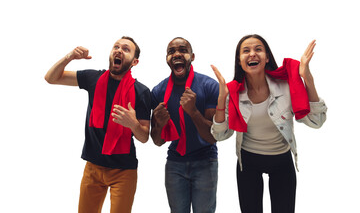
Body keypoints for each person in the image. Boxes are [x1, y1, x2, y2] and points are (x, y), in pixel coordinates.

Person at [210, 34, 327, 213]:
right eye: (246, 51)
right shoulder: (233, 92)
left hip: (281, 160)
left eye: (258, 49)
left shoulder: (286, 85)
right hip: (248, 161)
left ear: (266, 58)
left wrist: (307, 78)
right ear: (239, 61)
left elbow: (316, 121)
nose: (252, 54)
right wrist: (221, 99)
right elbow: (220, 135)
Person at [44, 36, 151, 213]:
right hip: (93, 167)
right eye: (116, 46)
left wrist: (133, 124)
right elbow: (51, 78)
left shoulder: (142, 92)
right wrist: (69, 57)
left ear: (135, 61)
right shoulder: (94, 78)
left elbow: (144, 137)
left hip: (124, 171)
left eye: (126, 49)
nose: (118, 50)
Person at [151, 37, 219, 213]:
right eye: (171, 52)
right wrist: (159, 124)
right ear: (166, 59)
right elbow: (157, 141)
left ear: (192, 56)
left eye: (183, 50)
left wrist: (193, 112)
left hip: (205, 161)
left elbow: (213, 136)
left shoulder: (209, 86)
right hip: (174, 164)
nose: (177, 54)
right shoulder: (159, 91)